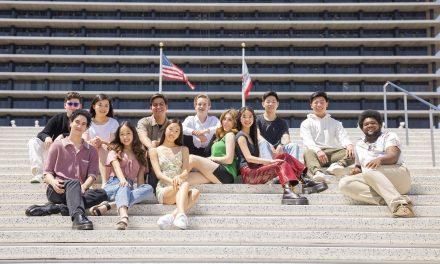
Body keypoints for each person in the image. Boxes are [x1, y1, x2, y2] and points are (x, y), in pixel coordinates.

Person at [25, 109, 108, 230]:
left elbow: (92, 175)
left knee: (102, 193)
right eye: (77, 122)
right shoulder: (57, 145)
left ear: (87, 127)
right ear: (71, 123)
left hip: (79, 189)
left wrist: (84, 187)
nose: (80, 126)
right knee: (74, 183)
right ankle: (78, 217)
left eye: (84, 124)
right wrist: (53, 182)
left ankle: (57, 208)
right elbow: (47, 173)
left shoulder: (91, 150)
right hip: (57, 189)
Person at [339, 110, 414, 218]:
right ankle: (394, 200)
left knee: (369, 169)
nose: (370, 126)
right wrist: (356, 170)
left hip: (398, 176)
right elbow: (359, 167)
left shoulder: (389, 136)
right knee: (344, 183)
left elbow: (393, 156)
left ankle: (399, 205)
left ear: (380, 124)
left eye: (373, 123)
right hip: (375, 179)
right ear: (362, 127)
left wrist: (380, 160)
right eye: (366, 124)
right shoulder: (359, 144)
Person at [235, 106, 308, 205]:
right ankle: (287, 192)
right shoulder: (241, 136)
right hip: (249, 174)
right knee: (278, 164)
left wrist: (278, 149)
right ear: (239, 118)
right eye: (244, 116)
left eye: (250, 116)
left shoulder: (252, 135)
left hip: (256, 169)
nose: (247, 119)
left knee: (285, 156)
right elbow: (249, 158)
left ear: (253, 118)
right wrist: (269, 161)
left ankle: (303, 178)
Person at [89, 121, 155, 230]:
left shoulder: (141, 152)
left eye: (128, 133)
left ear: (133, 134)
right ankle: (124, 217)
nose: (125, 137)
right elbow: (116, 167)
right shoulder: (114, 150)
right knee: (124, 186)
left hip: (127, 187)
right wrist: (123, 180)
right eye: (122, 134)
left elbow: (140, 178)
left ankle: (110, 205)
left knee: (148, 189)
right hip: (113, 184)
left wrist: (140, 190)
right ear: (118, 137)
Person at [150, 119, 200, 230]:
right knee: (185, 185)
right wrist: (172, 181)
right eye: (171, 129)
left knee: (195, 192)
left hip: (180, 185)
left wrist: (179, 177)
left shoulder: (184, 149)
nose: (173, 133)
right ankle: (181, 214)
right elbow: (158, 174)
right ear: (165, 130)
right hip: (164, 188)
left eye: (177, 131)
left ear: (179, 134)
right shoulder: (154, 150)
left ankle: (172, 216)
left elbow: (185, 172)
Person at [28, 92, 82, 183]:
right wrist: (47, 138)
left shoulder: (83, 119)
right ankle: (38, 174)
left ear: (80, 106)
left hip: (72, 153)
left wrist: (63, 135)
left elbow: (81, 136)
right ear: (65, 105)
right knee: (33, 141)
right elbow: (42, 133)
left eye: (76, 104)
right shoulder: (58, 118)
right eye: (70, 104)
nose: (73, 106)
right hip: (55, 150)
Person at [300, 91, 354, 182]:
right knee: (307, 152)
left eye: (322, 102)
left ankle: (338, 165)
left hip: (333, 154)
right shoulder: (306, 123)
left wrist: (349, 144)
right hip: (316, 155)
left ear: (327, 104)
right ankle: (317, 172)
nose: (319, 105)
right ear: (311, 105)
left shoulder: (335, 123)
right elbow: (308, 141)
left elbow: (343, 137)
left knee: (355, 150)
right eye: (316, 102)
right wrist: (318, 151)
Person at [187, 109, 238, 184]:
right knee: (186, 179)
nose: (225, 122)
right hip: (215, 172)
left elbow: (229, 160)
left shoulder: (230, 135)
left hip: (226, 173)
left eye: (229, 120)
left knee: (192, 158)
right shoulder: (219, 137)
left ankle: (178, 176)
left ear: (234, 123)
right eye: (224, 119)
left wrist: (212, 159)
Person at [83, 94, 119, 186]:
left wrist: (102, 142)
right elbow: (83, 141)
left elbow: (113, 145)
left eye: (106, 105)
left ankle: (104, 182)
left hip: (107, 156)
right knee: (94, 146)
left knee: (102, 146)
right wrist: (92, 142)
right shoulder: (87, 122)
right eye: (100, 105)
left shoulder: (113, 123)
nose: (103, 108)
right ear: (94, 106)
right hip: (90, 154)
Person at [137, 93, 169, 189]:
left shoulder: (171, 125)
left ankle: (154, 187)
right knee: (143, 150)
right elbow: (142, 136)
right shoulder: (144, 121)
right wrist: (152, 148)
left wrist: (158, 145)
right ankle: (143, 187)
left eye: (161, 104)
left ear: (166, 107)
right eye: (155, 105)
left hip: (165, 156)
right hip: (146, 155)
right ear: (151, 108)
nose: (158, 107)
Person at [257, 91, 300, 160]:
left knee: (294, 145)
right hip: (263, 151)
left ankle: (293, 170)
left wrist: (281, 146)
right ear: (263, 104)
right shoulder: (257, 120)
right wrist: (270, 146)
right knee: (263, 144)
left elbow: (287, 139)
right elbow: (257, 135)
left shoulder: (282, 122)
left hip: (278, 150)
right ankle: (269, 169)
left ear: (277, 104)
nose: (271, 104)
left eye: (274, 102)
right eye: (268, 102)